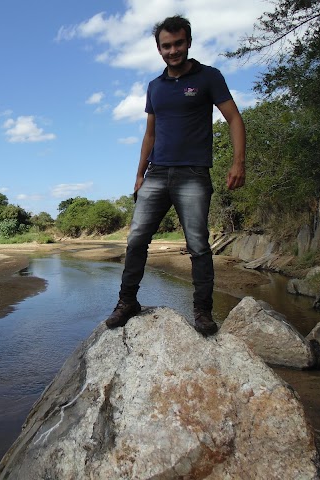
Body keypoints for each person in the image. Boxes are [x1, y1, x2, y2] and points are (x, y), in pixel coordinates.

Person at [105, 15, 246, 335]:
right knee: (137, 238)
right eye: (166, 46)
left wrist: (238, 163)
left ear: (188, 42)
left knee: (197, 244)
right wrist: (139, 175)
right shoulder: (155, 86)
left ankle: (203, 312)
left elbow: (234, 119)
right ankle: (127, 302)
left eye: (178, 43)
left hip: (194, 173)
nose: (173, 51)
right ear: (158, 49)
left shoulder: (209, 77)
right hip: (156, 173)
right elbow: (150, 135)